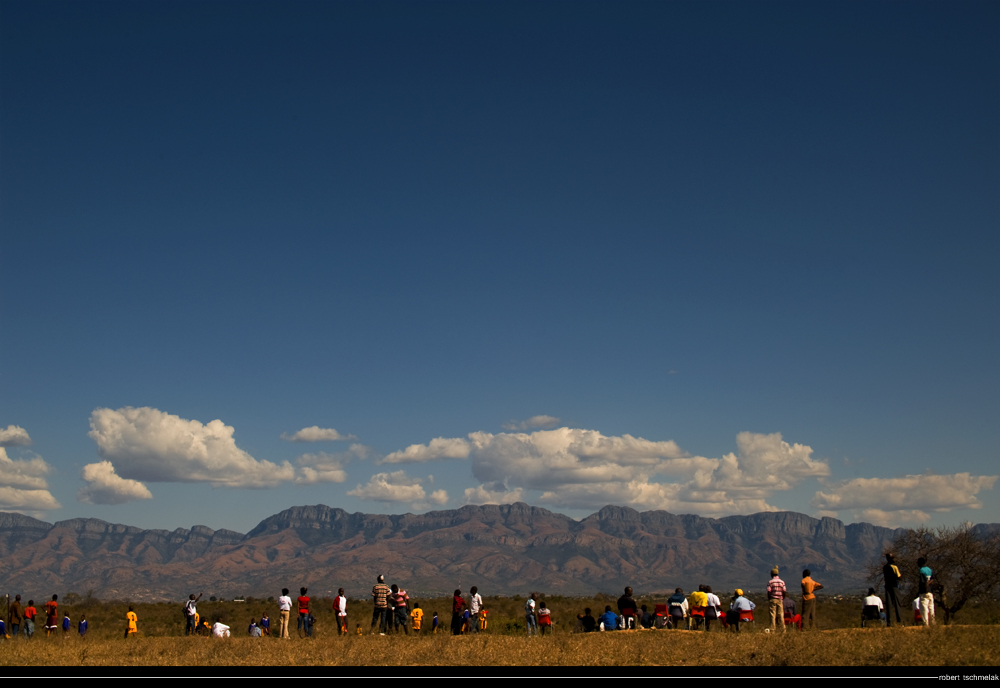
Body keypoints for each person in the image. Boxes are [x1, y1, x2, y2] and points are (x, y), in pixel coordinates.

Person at [882, 552, 903, 627]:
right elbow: (899, 577)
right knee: (897, 603)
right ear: (890, 559)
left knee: (889, 604)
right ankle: (899, 621)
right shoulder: (894, 567)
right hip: (894, 586)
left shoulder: (885, 567)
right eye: (893, 558)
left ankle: (889, 622)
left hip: (887, 587)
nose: (895, 559)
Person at [766, 568, 787, 633]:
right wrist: (782, 598)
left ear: (772, 574)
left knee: (772, 615)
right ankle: (783, 629)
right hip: (780, 599)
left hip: (773, 599)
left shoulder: (770, 582)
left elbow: (769, 591)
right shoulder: (782, 582)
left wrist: (770, 598)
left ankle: (772, 630)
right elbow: (784, 591)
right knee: (780, 614)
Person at [917, 557, 934, 626]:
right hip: (930, 591)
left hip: (924, 592)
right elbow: (932, 579)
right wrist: (929, 584)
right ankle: (933, 622)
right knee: (931, 607)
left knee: (924, 608)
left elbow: (922, 582)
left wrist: (924, 586)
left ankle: (926, 624)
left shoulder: (921, 570)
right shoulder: (930, 570)